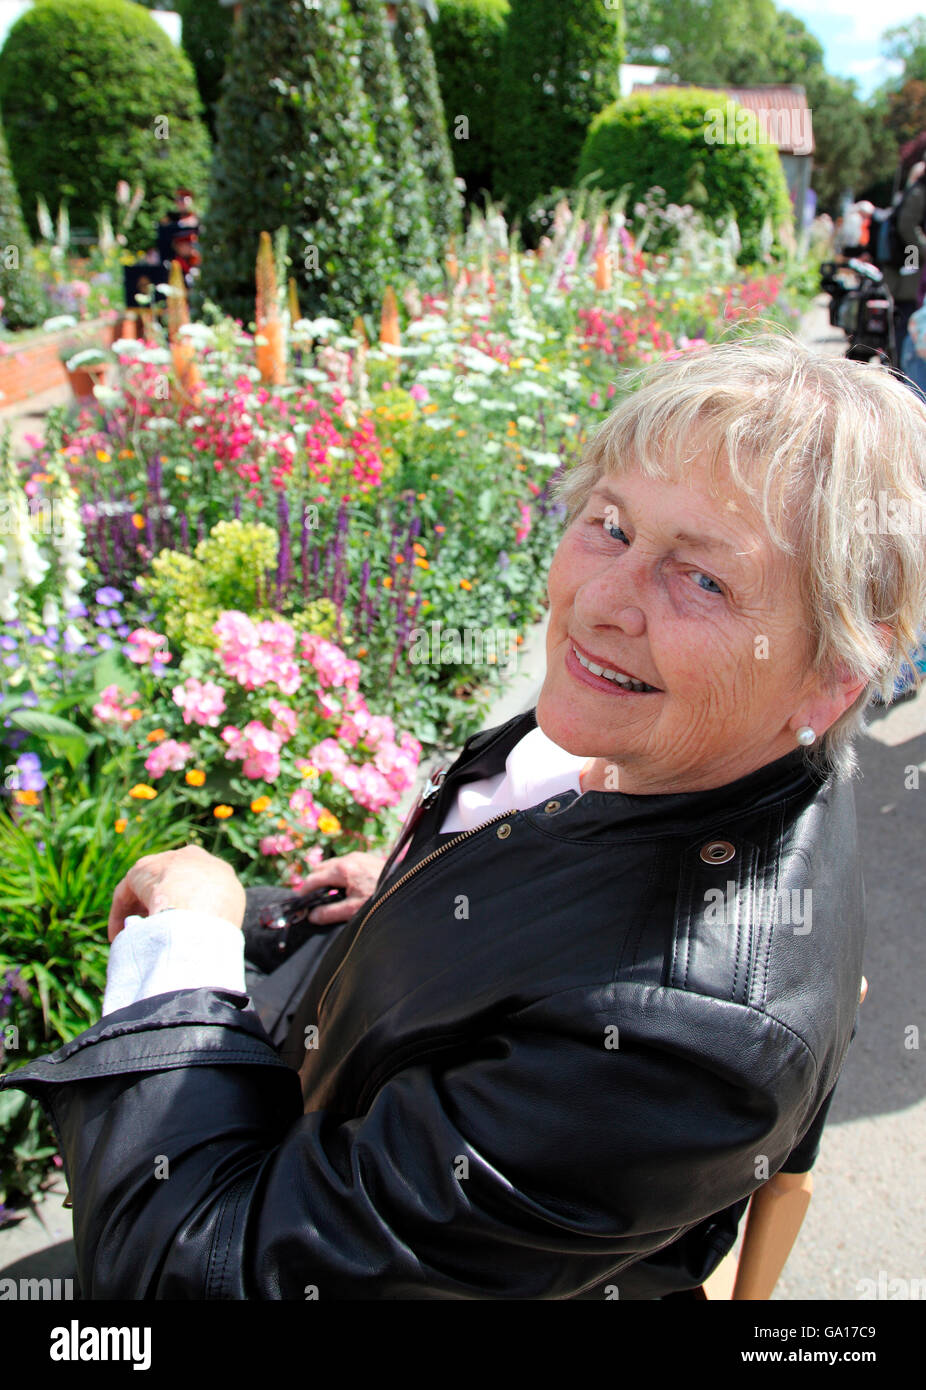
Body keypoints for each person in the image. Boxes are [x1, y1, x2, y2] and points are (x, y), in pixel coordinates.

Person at [4, 332, 926, 1301]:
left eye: (702, 578)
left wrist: (179, 953)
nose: (597, 600)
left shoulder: (672, 1052)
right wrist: (425, 874)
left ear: (829, 679)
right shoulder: (708, 738)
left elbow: (196, 1276)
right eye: (609, 524)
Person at [882, 162, 926, 354]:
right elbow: (907, 229)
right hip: (910, 263)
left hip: (910, 261)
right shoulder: (919, 192)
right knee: (908, 312)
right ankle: (900, 371)